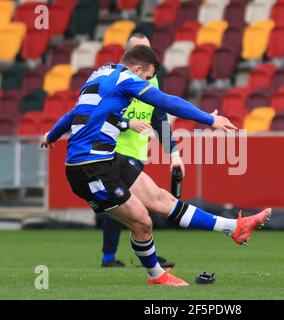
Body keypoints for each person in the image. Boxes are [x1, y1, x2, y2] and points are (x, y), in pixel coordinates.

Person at [41, 45, 271, 287]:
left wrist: (52, 135)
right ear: (138, 69)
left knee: (161, 199)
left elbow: (74, 114)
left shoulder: (101, 72)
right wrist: (210, 119)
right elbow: (166, 102)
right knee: (142, 220)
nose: (148, 83)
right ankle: (157, 276)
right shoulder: (127, 79)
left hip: (107, 158)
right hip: (89, 168)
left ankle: (234, 227)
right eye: (148, 78)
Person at [101, 33, 180, 269]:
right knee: (125, 204)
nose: (147, 54)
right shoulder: (112, 78)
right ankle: (113, 257)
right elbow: (96, 114)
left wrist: (173, 152)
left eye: (148, 49)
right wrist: (126, 123)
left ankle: (133, 255)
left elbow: (160, 120)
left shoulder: (151, 81)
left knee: (130, 206)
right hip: (113, 149)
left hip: (137, 150)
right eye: (140, 49)